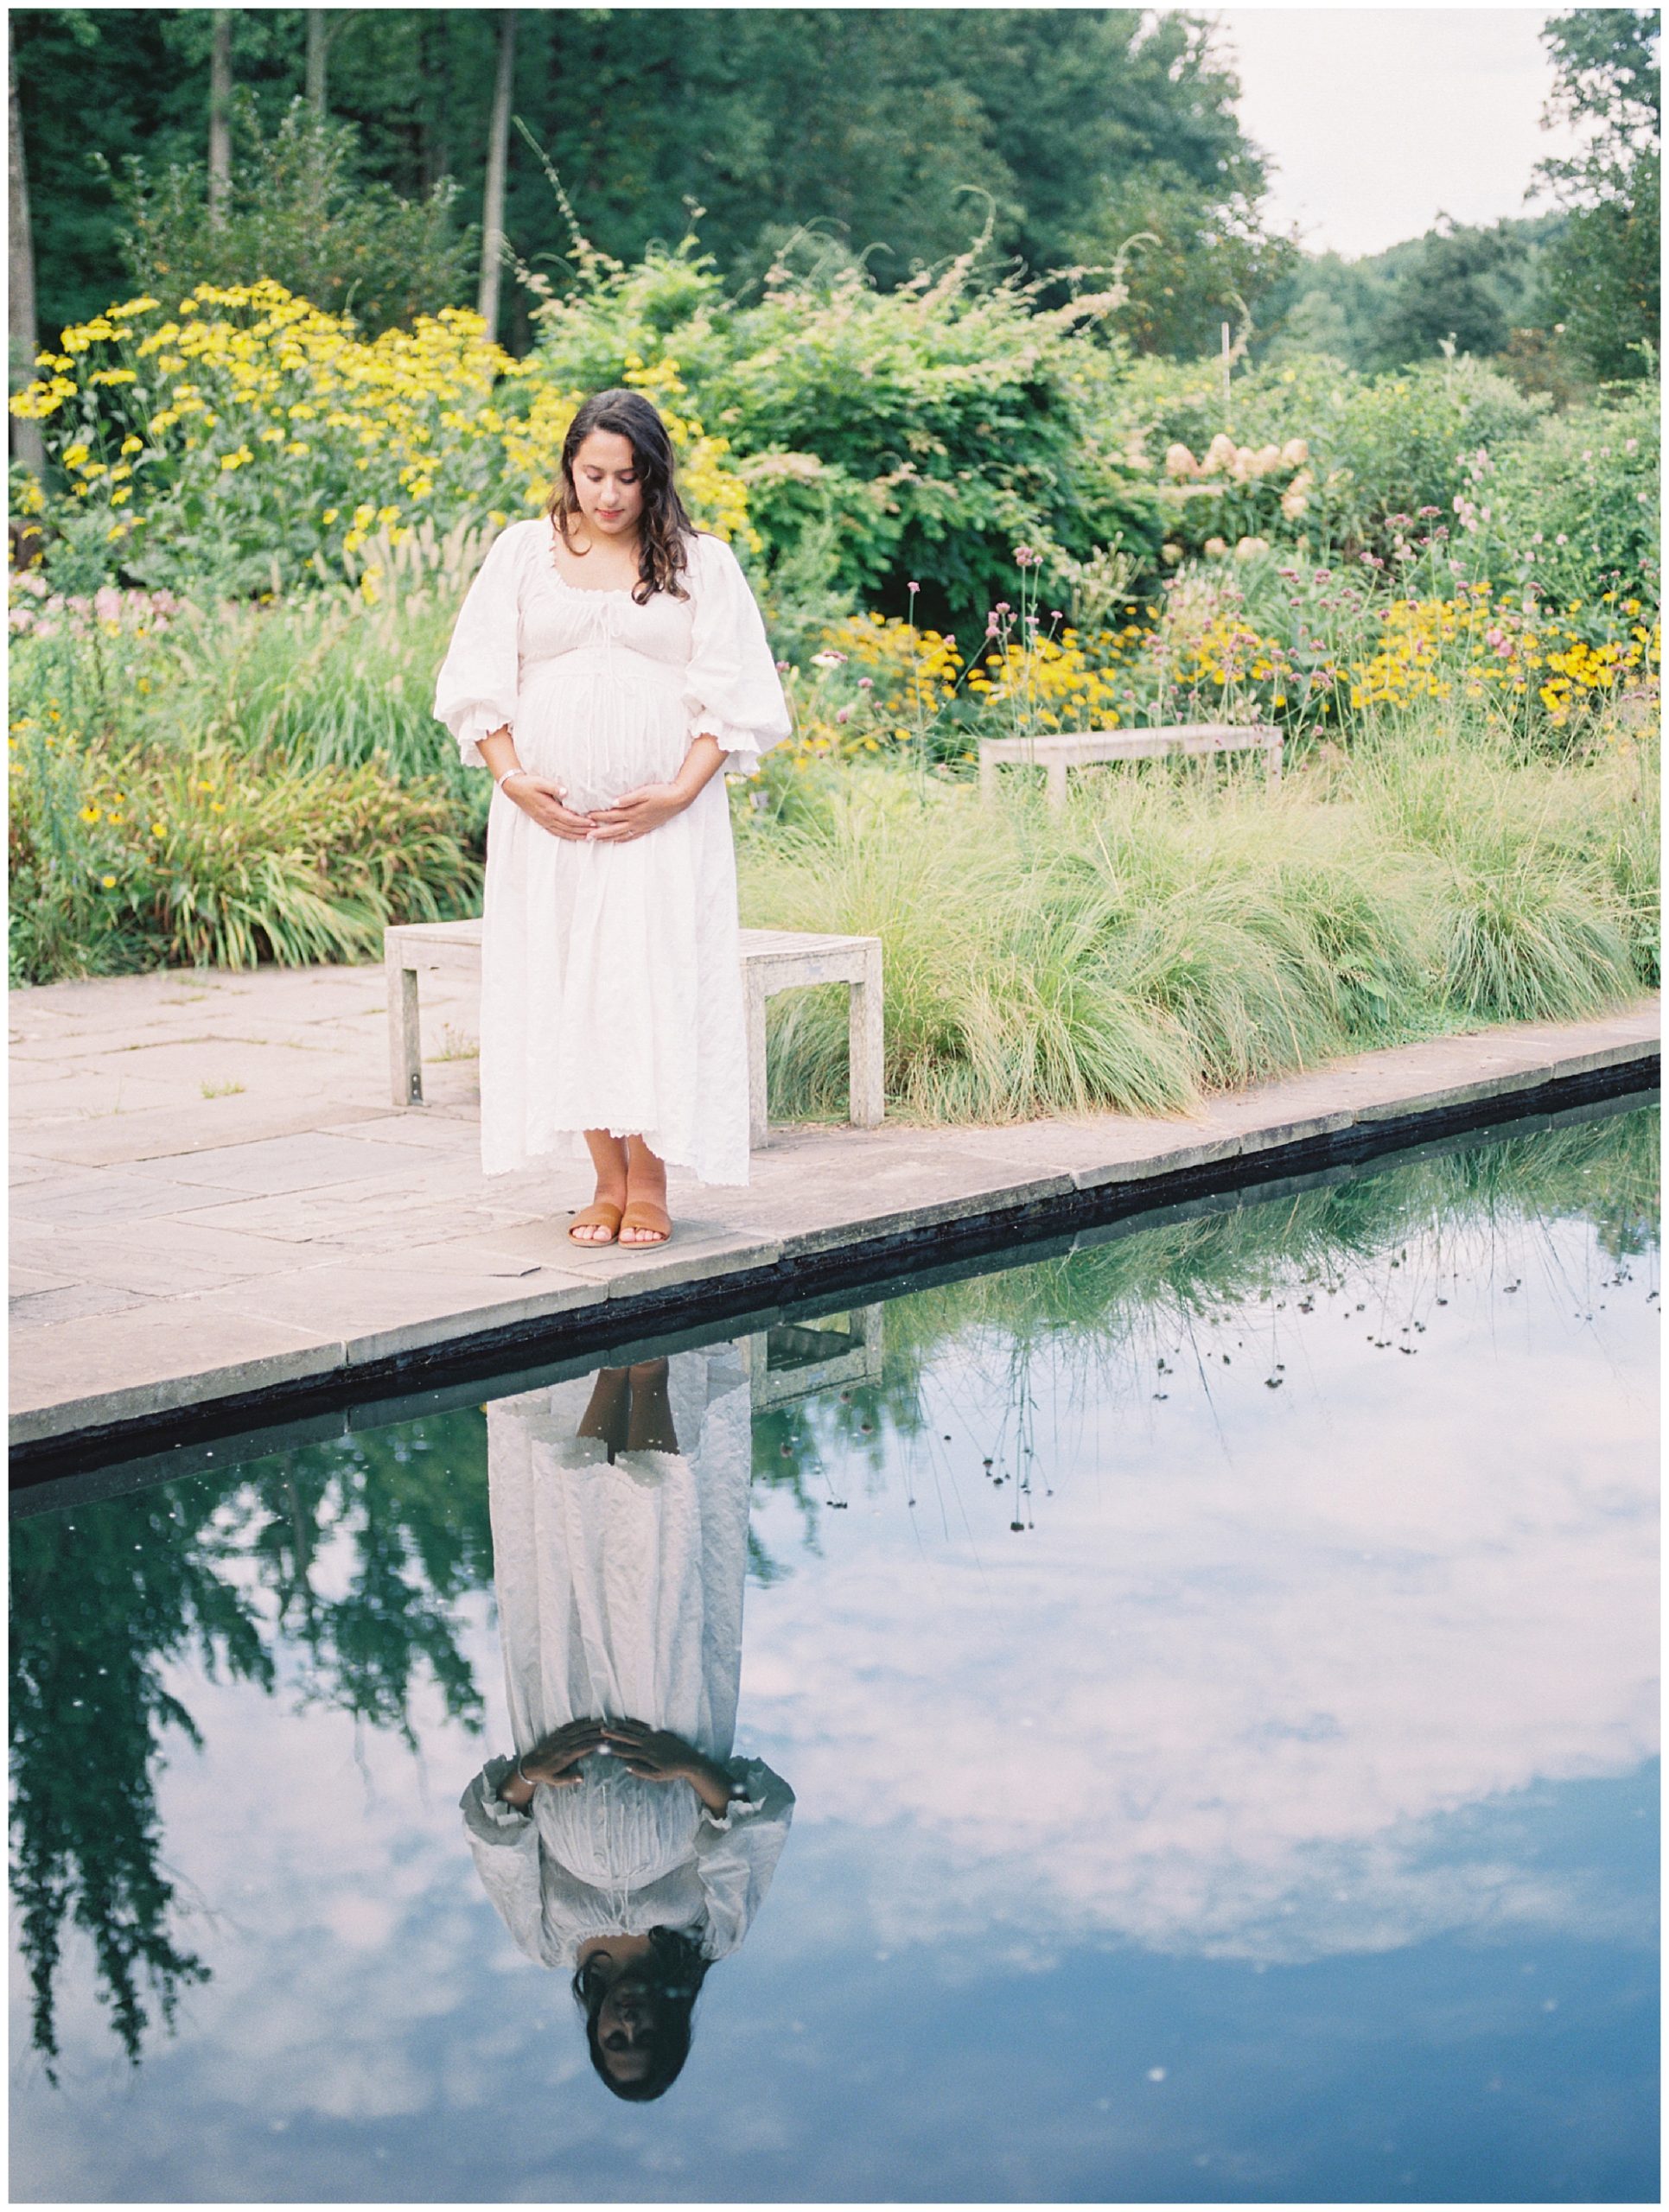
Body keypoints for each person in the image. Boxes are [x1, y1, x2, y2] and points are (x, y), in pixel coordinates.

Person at [430, 389, 792, 1246]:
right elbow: (476, 679)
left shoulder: (700, 564)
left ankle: (651, 1180)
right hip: (549, 824)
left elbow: (733, 698)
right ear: (567, 468)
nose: (607, 495)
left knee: (650, 983)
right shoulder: (522, 554)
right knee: (568, 986)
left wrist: (676, 792)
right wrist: (514, 781)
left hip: (661, 824)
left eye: (626, 478)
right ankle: (601, 1178)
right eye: (591, 474)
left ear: (652, 479)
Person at [458, 1348, 794, 2101]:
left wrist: (530, 1773)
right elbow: (762, 1822)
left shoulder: (546, 1943)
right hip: (667, 1717)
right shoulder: (709, 1937)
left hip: (559, 1718)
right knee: (655, 1569)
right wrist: (689, 1766)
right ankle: (650, 1373)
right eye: (646, 2039)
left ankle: (604, 1373)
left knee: (568, 1571)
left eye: (616, 2041)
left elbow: (493, 1839)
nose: (629, 2027)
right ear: (671, 2030)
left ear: (596, 2031)